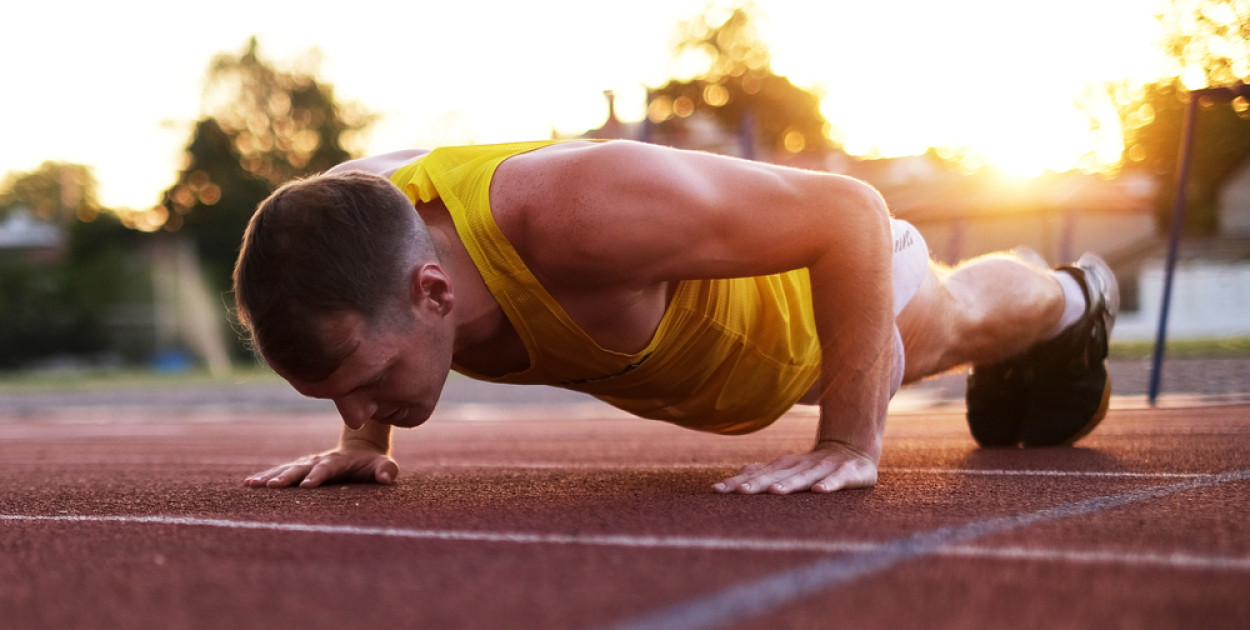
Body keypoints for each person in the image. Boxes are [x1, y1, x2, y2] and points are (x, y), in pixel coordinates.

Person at [235, 139, 1118, 495]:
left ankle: (1075, 299)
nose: (358, 408)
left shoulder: (579, 213)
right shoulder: (353, 229)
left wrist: (850, 442)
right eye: (333, 398)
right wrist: (363, 448)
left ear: (436, 291)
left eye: (370, 382)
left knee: (956, 318)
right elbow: (359, 319)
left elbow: (850, 211)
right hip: (719, 364)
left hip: (813, 313)